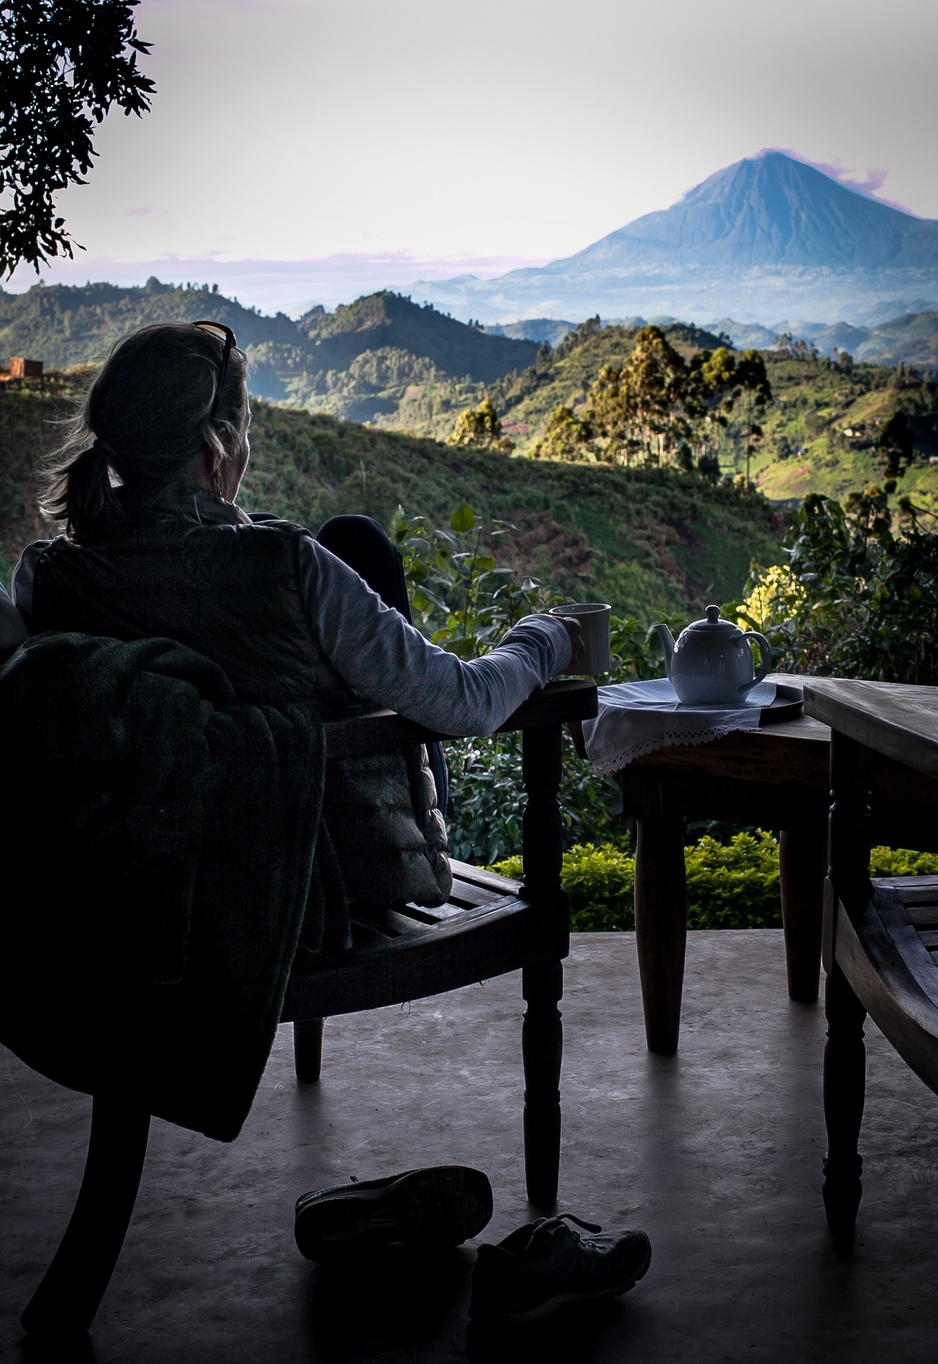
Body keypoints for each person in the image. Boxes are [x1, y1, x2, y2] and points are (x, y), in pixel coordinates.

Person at [12, 320, 582, 918]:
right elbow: (467, 703)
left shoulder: (46, 574)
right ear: (219, 447)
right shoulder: (287, 566)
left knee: (350, 545)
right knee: (358, 542)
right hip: (317, 887)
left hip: (122, 896)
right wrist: (546, 639)